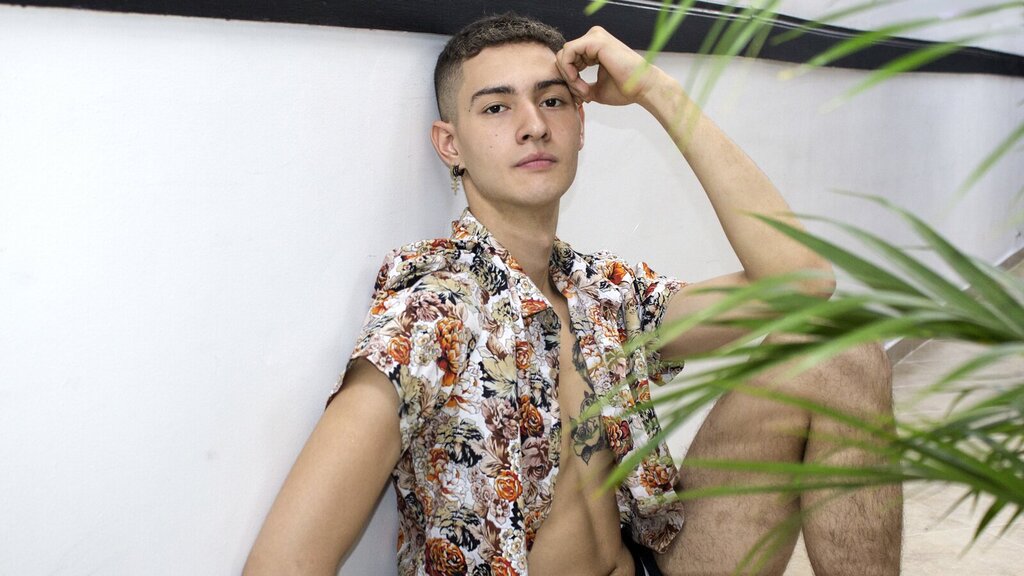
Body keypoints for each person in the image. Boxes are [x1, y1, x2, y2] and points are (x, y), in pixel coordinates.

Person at [244, 13, 902, 576]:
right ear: (451, 145)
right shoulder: (431, 318)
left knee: (838, 351)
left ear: (581, 123)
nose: (533, 125)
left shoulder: (603, 294)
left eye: (553, 101)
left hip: (653, 564)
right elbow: (281, 564)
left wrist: (658, 90)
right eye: (497, 107)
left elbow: (802, 286)